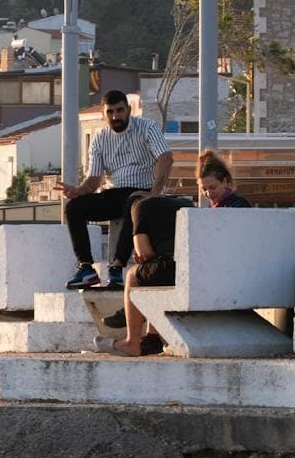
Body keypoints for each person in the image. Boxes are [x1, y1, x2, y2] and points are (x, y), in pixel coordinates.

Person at [104, 150, 251, 357]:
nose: (209, 193)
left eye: (213, 187)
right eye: (204, 189)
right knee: (156, 269)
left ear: (226, 182)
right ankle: (151, 335)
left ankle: (132, 341)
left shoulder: (231, 207)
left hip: (208, 274)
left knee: (133, 275)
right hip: (215, 271)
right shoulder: (227, 206)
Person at [58, 90, 173, 290]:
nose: (115, 116)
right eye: (110, 112)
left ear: (128, 110)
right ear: (104, 114)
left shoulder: (147, 128)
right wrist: (78, 191)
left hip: (142, 190)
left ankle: (117, 267)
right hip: (114, 192)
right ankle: (86, 268)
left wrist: (154, 192)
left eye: (119, 110)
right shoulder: (100, 139)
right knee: (74, 208)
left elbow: (166, 158)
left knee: (133, 203)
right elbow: (94, 179)